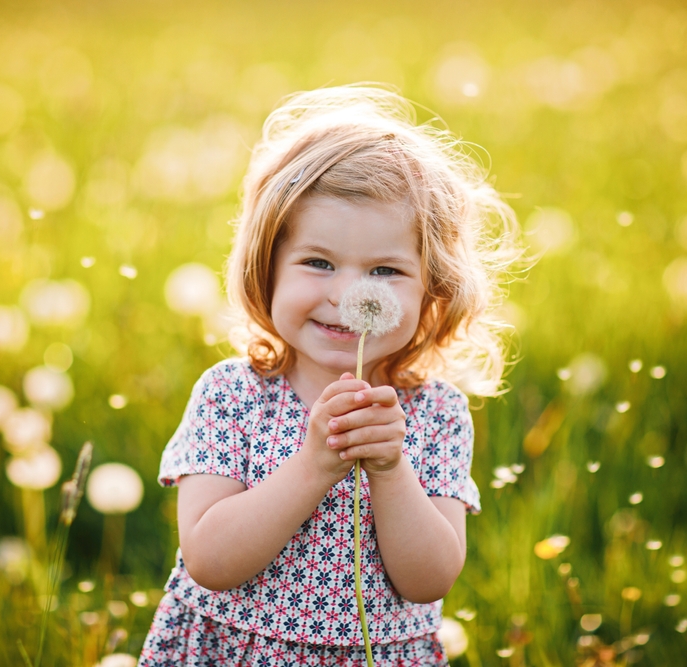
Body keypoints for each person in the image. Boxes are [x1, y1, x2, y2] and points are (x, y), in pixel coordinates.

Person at [138, 84, 519, 667]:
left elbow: (429, 580)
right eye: (318, 263)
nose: (347, 296)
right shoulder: (232, 397)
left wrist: (391, 470)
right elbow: (209, 562)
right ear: (267, 268)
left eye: (386, 270)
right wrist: (315, 464)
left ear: (432, 290)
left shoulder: (434, 414)